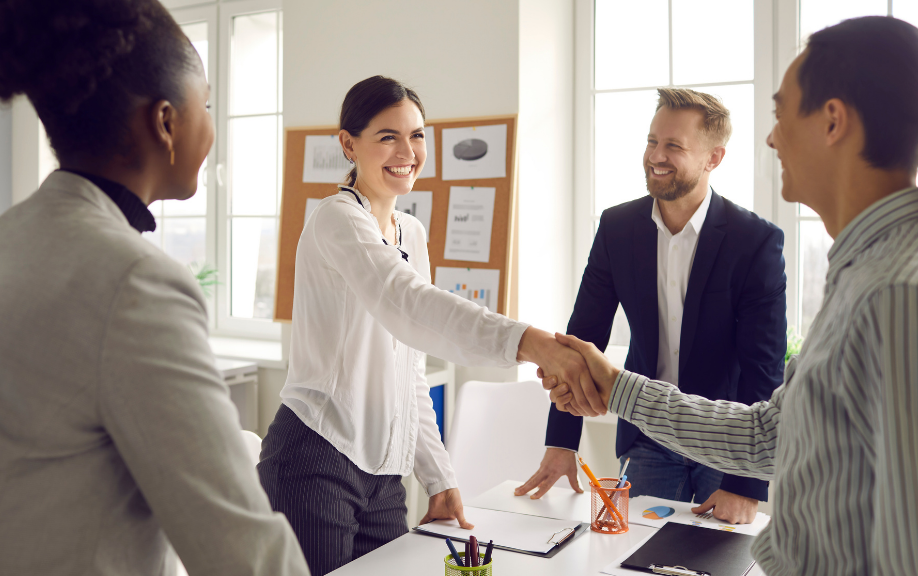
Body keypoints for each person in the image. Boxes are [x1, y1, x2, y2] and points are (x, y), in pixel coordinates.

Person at [0, 1, 309, 575]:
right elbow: (243, 552)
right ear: (167, 123)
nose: (211, 124)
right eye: (206, 104)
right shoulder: (135, 280)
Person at [546, 16, 918, 576]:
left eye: (780, 113)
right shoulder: (863, 275)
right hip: (654, 441)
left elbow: (903, 541)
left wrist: (745, 487)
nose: (771, 138)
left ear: (833, 121)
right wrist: (611, 393)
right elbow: (769, 434)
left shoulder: (894, 293)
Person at [256, 76, 595, 576]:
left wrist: (437, 477)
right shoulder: (336, 219)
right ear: (349, 144)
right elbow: (404, 301)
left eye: (416, 135)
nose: (408, 151)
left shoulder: (410, 231)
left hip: (386, 477)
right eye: (387, 136)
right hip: (315, 458)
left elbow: (409, 369)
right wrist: (530, 343)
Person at [516, 88, 786, 524]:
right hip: (647, 438)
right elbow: (581, 338)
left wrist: (745, 482)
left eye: (673, 146)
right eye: (651, 141)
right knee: (633, 557)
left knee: (715, 564)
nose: (655, 155)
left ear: (713, 158)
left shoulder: (754, 240)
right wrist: (562, 442)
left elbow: (764, 366)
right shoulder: (618, 227)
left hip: (725, 442)